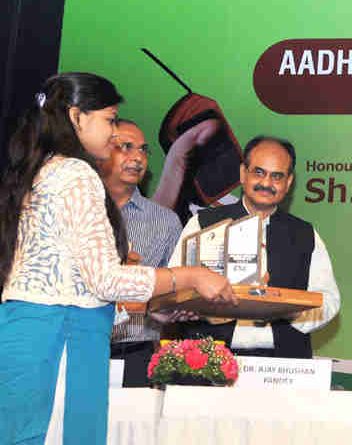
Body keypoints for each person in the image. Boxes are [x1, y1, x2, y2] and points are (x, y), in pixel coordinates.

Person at [0, 72, 236, 444]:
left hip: (39, 329)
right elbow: (104, 281)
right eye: (109, 120)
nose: (113, 134)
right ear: (77, 117)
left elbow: (74, 284)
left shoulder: (44, 168)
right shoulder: (77, 173)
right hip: (61, 337)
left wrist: (149, 307)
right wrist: (188, 277)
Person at [168, 136, 341, 358]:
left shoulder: (305, 234)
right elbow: (175, 285)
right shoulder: (203, 223)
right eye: (258, 172)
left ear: (288, 182)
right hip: (209, 358)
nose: (267, 183)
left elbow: (329, 300)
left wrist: (286, 308)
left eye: (277, 176)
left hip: (282, 364)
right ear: (243, 174)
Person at [97, 118, 184, 387]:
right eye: (126, 147)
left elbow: (174, 292)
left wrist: (169, 306)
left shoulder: (166, 221)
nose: (138, 158)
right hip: (76, 349)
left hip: (137, 353)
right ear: (99, 152)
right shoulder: (77, 209)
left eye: (143, 150)